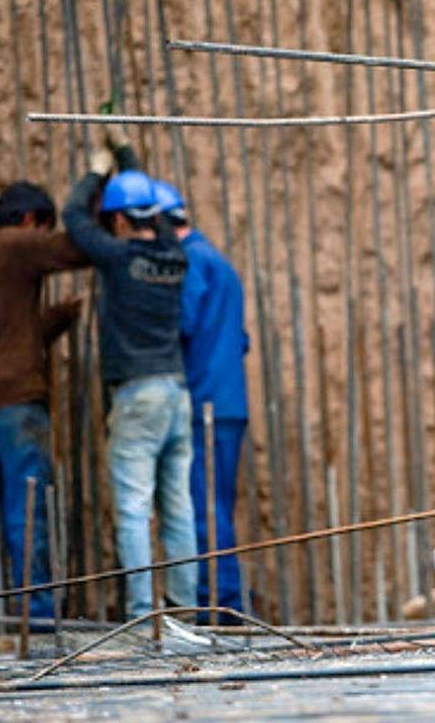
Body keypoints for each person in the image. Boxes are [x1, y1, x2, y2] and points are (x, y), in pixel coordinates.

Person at [63, 124, 197, 620]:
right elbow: (151, 211)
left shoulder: (119, 259)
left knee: (134, 508)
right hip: (176, 392)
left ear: (118, 219)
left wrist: (99, 168)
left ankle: (144, 613)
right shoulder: (174, 255)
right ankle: (182, 608)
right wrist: (126, 153)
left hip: (138, 395)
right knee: (178, 507)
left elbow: (74, 217)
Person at [0, 182, 88, 625]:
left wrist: (59, 317)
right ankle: (36, 617)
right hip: (17, 401)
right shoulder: (17, 246)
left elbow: (10, 334)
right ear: (31, 221)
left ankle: (29, 611)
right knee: (29, 510)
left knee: (14, 509)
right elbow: (77, 250)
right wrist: (89, 199)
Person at [153, 180, 249, 619]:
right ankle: (222, 603)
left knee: (204, 508)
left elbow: (182, 323)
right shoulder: (219, 262)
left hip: (204, 402)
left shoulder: (189, 261)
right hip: (229, 401)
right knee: (217, 504)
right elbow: (239, 339)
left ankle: (221, 607)